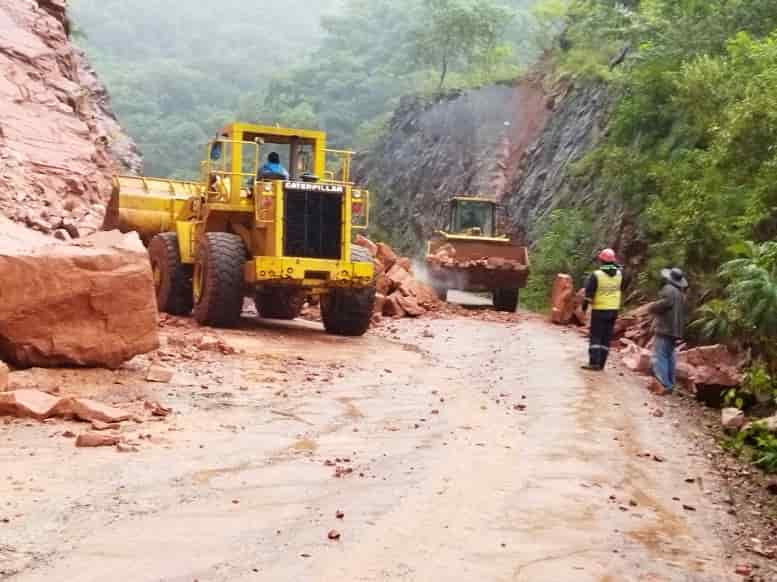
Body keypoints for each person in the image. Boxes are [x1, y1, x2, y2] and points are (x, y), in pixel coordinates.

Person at [581, 248, 625, 371]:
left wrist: (584, 307)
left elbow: (588, 295)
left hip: (600, 309)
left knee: (596, 336)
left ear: (601, 260)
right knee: (606, 336)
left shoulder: (597, 275)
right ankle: (601, 364)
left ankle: (594, 362)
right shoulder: (619, 274)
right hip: (613, 310)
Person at [649, 268, 689, 394]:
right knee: (670, 357)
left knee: (660, 355)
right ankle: (670, 384)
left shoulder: (668, 289)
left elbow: (664, 304)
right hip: (675, 330)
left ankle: (663, 384)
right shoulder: (680, 294)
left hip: (665, 328)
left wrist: (652, 307)